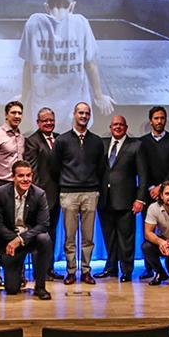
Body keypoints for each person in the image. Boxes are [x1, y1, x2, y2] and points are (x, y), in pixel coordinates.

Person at [19, 0, 114, 130]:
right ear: (72, 5)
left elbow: (27, 65)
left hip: (43, 110)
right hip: (75, 109)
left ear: (46, 6)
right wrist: (99, 96)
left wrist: (23, 97)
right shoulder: (81, 23)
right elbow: (90, 63)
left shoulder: (34, 22)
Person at [51, 102, 104, 285]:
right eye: (80, 112)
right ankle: (71, 271)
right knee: (69, 237)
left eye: (87, 113)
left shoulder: (97, 141)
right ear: (74, 114)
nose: (84, 116)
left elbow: (101, 168)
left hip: (90, 192)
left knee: (88, 237)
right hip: (68, 193)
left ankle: (87, 271)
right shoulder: (62, 140)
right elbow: (55, 167)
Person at [0, 160, 52, 300]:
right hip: (9, 240)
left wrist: (20, 239)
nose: (25, 179)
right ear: (13, 177)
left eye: (28, 175)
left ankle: (40, 286)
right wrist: (12, 239)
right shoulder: (1, 193)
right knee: (12, 289)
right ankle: (18, 275)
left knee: (44, 238)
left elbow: (43, 224)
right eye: (21, 176)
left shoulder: (39, 194)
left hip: (29, 239)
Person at [96, 115, 146, 281]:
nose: (117, 127)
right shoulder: (102, 144)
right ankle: (110, 268)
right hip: (105, 200)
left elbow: (143, 176)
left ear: (126, 127)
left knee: (126, 239)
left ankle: (126, 271)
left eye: (120, 125)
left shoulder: (136, 145)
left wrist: (140, 199)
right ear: (110, 127)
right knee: (109, 238)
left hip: (126, 201)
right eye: (114, 125)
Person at [138, 106, 169, 279]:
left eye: (162, 118)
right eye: (156, 118)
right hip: (149, 194)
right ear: (151, 121)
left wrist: (162, 188)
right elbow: (142, 169)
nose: (159, 121)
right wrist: (151, 188)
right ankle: (151, 268)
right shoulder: (142, 142)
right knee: (148, 231)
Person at [24, 107, 61, 280]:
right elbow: (32, 171)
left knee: (52, 233)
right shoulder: (32, 141)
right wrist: (38, 195)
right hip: (41, 196)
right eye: (44, 120)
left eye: (51, 120)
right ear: (38, 123)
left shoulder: (60, 139)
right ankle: (40, 272)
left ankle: (50, 269)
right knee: (39, 235)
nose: (48, 123)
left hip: (59, 195)